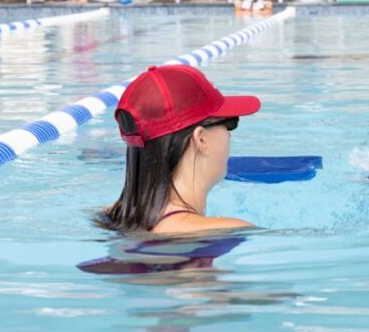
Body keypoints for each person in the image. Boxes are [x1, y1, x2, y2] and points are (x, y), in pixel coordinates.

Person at [101, 64, 261, 235]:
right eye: (229, 123)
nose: (229, 136)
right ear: (201, 139)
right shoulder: (229, 232)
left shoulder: (109, 217)